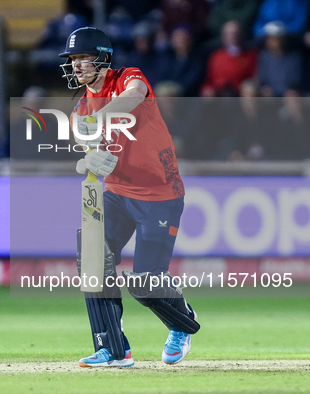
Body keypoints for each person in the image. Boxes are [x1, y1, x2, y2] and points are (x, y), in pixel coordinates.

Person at [58, 27, 200, 367]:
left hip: (160, 193)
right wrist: (88, 157)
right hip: (119, 193)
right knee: (92, 254)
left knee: (146, 282)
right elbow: (84, 144)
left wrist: (98, 118)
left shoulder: (127, 78)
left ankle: (182, 322)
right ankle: (113, 349)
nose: (76, 65)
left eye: (83, 58)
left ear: (103, 58)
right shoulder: (80, 106)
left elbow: (135, 95)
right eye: (72, 59)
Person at [200, 21, 257, 97]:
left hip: (239, 90)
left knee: (249, 91)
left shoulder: (250, 55)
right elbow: (209, 79)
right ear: (223, 36)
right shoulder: (216, 56)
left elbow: (253, 77)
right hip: (218, 90)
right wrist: (208, 88)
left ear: (241, 35)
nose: (232, 37)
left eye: (235, 34)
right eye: (228, 34)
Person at [257, 21, 302, 97]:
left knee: (292, 95)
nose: (274, 41)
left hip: (287, 94)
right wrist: (265, 89)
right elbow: (262, 79)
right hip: (269, 95)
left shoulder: (294, 58)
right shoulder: (264, 56)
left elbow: (294, 82)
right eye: (270, 38)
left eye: (277, 38)